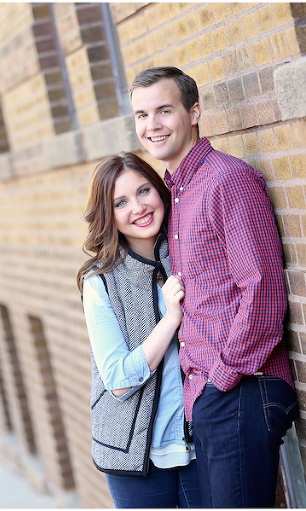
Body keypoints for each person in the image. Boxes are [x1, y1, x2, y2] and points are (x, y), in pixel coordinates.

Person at [129, 66, 299, 508]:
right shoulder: (177, 195)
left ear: (195, 112)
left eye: (164, 110)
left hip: (240, 386)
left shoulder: (227, 180)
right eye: (142, 116)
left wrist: (221, 379)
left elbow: (262, 292)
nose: (153, 126)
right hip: (211, 396)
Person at [77, 152, 202, 508]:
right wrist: (170, 321)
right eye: (121, 202)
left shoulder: (188, 251)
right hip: (134, 455)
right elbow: (117, 379)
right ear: (108, 215)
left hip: (200, 442)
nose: (138, 207)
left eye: (144, 191)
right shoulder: (99, 281)